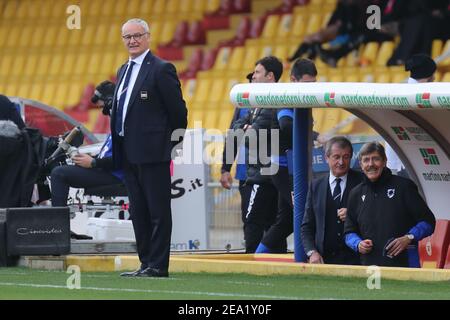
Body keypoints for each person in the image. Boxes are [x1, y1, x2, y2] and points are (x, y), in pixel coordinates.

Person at [111, 19, 187, 278]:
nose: (132, 40)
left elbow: (178, 113)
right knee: (138, 212)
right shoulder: (122, 70)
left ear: (148, 37)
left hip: (154, 153)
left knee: (158, 212)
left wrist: (170, 147)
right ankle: (145, 262)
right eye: (127, 36)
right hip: (128, 153)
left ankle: (158, 265)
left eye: (137, 35)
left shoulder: (161, 69)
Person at [256, 58, 318, 254]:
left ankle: (259, 255)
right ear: (293, 80)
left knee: (285, 220)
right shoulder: (286, 98)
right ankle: (306, 255)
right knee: (303, 211)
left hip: (287, 166)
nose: (310, 89)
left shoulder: (300, 100)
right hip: (283, 168)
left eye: (313, 84)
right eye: (306, 84)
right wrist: (316, 136)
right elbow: (286, 124)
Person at [344, 142, 436, 267]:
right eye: (366, 160)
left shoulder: (404, 187)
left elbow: (428, 221)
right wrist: (358, 244)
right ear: (361, 165)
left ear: (384, 161)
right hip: (370, 270)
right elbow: (349, 232)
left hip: (405, 267)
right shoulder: (355, 193)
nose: (371, 164)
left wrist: (409, 237)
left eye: (375, 159)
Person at [232, 56, 283, 253]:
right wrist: (246, 128)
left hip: (263, 175)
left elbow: (249, 138)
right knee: (270, 223)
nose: (253, 77)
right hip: (265, 174)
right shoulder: (259, 104)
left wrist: (246, 129)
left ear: (270, 76)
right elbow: (237, 129)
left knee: (252, 220)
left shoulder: (271, 104)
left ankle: (252, 261)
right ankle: (272, 262)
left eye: (257, 73)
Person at [301, 136, 363, 265]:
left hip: (357, 260)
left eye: (346, 157)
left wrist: (353, 215)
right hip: (324, 260)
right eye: (336, 157)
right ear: (326, 158)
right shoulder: (315, 186)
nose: (341, 162)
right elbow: (307, 226)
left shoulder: (363, 182)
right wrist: (312, 252)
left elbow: (374, 218)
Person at [220, 72, 252, 249]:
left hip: (272, 173)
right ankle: (253, 256)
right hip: (246, 174)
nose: (252, 81)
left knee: (271, 220)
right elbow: (234, 136)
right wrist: (225, 168)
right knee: (249, 220)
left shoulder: (276, 102)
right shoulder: (243, 106)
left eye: (255, 77)